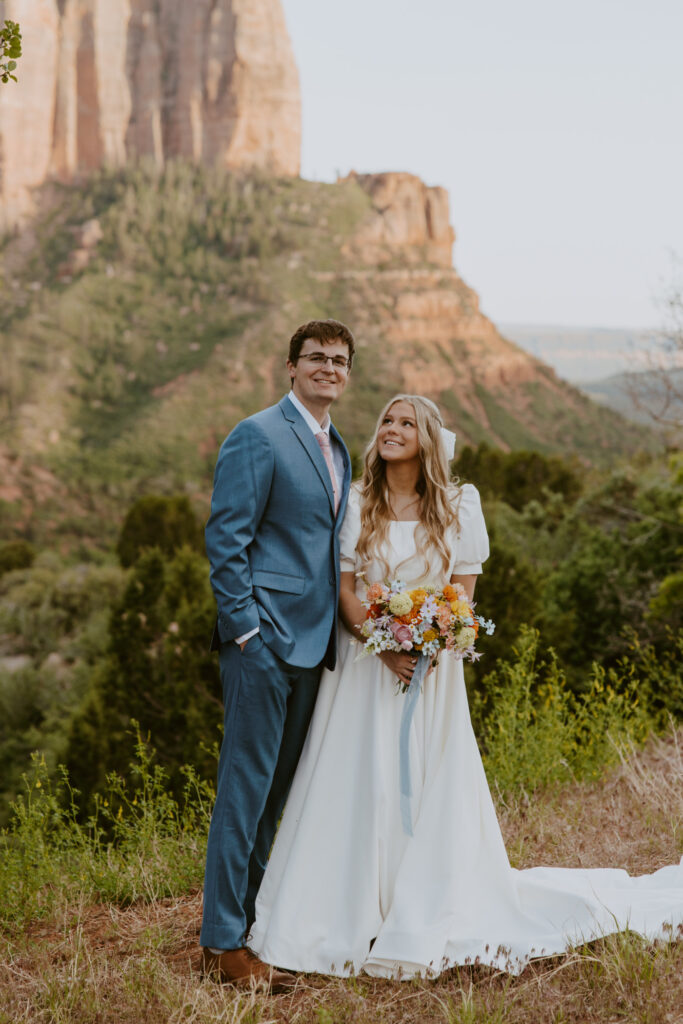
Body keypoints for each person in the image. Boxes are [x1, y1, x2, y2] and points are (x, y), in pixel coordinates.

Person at [250, 394, 683, 978]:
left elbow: (461, 598)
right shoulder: (356, 501)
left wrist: (427, 643)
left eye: (407, 423)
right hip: (362, 671)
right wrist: (383, 647)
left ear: (428, 439)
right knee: (361, 784)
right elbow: (346, 590)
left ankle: (422, 901)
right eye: (387, 421)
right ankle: (349, 906)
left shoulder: (460, 505)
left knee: (424, 787)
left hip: (432, 679)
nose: (392, 430)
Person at [200, 319, 354, 991]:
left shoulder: (338, 445)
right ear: (290, 368)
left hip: (315, 645)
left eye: (339, 360)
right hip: (262, 644)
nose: (328, 368)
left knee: (275, 796)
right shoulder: (257, 434)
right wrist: (246, 636)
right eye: (315, 357)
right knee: (245, 789)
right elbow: (225, 539)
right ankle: (222, 943)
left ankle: (253, 925)